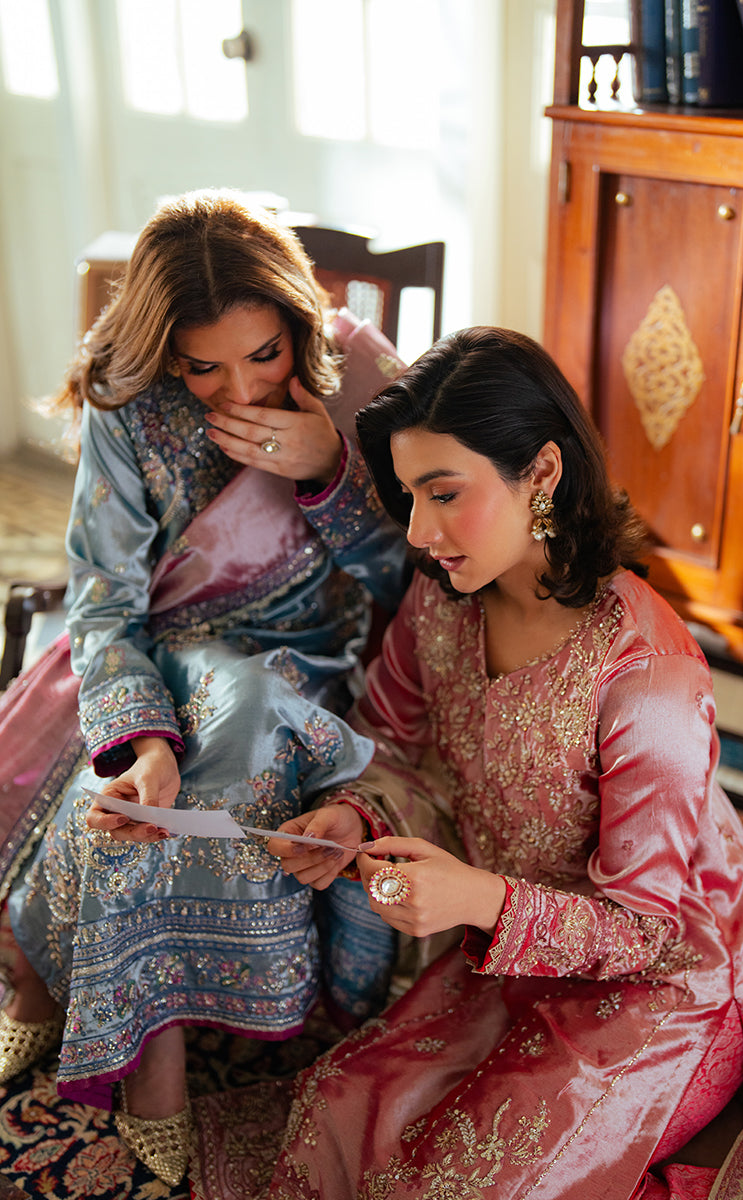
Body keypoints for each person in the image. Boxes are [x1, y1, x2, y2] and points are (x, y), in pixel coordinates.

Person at [265, 326, 743, 1200]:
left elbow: (645, 929)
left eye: (443, 493)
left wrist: (478, 900)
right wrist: (356, 819)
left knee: (455, 1185)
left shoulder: (647, 675)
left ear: (541, 472)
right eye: (408, 496)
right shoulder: (442, 602)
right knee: (336, 1111)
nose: (418, 530)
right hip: (509, 948)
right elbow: (394, 747)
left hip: (661, 983)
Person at [0, 188, 412, 1186]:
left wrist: (326, 469)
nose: (240, 387)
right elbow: (104, 603)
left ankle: (113, 1012)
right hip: (159, 647)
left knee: (247, 725)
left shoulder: (358, 376)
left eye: (263, 354)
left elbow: (417, 580)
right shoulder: (129, 404)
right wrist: (143, 739)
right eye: (203, 366)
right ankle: (129, 1030)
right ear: (164, 353)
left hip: (312, 658)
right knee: (137, 789)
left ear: (297, 322)